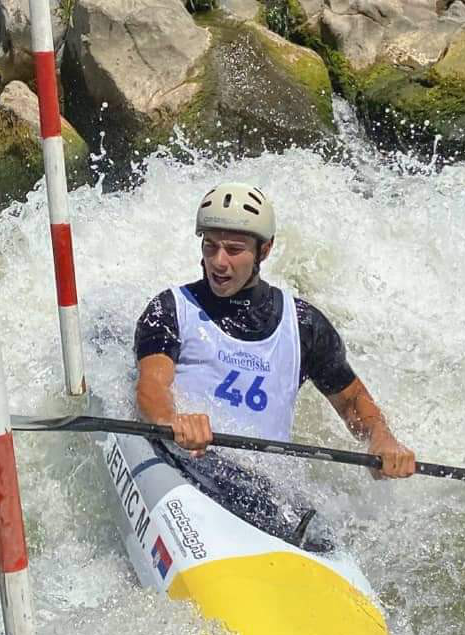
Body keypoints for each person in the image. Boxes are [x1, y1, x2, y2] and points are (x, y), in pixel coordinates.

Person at [133, 182, 415, 544]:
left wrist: (382, 439)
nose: (219, 261)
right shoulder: (170, 309)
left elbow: (353, 403)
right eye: (210, 245)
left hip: (263, 490)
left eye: (234, 250)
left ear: (264, 250)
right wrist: (169, 420)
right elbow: (152, 384)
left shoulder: (304, 325)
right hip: (184, 466)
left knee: (311, 530)